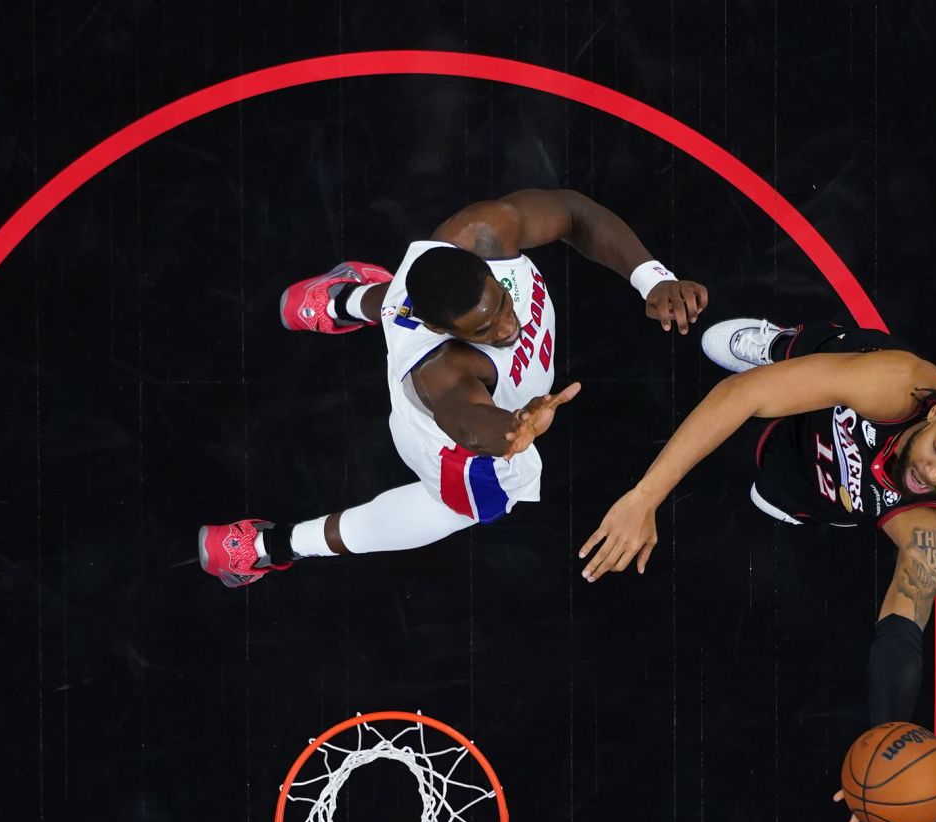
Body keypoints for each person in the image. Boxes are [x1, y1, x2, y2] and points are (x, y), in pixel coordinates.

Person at [577, 316, 936, 822]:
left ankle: (810, 487)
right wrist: (644, 497)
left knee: (788, 497)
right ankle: (779, 346)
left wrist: (883, 753)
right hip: (833, 382)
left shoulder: (933, 529)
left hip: (820, 478)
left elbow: (901, 631)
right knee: (780, 380)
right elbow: (741, 395)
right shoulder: (894, 385)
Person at [199, 189, 708, 587]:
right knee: (460, 505)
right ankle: (272, 546)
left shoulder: (482, 230)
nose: (508, 327)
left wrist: (652, 279)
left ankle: (343, 299)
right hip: (450, 444)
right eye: (484, 329)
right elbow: (466, 423)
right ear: (443, 331)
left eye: (502, 304)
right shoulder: (441, 370)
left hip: (424, 317)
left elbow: (573, 213)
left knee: (401, 294)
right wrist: (514, 430)